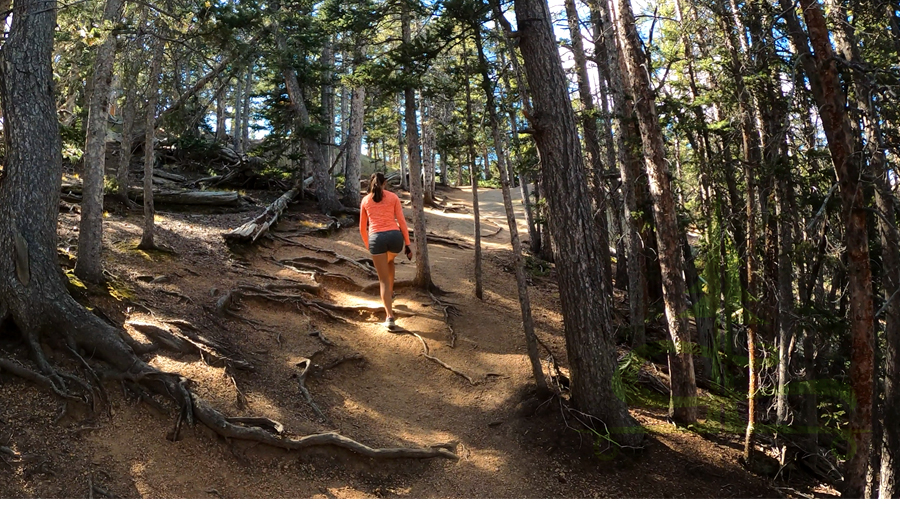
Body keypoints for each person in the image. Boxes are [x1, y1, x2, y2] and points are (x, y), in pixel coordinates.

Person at [359, 173, 412, 329]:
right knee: (389, 261)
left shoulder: (365, 200)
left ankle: (389, 317)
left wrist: (368, 244)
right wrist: (408, 244)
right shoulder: (393, 197)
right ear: (385, 183)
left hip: (377, 239)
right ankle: (391, 291)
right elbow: (401, 221)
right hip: (396, 238)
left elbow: (362, 227)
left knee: (382, 279)